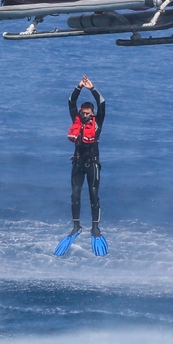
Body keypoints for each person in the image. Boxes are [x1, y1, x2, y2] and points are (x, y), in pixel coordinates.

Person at [67, 75, 106, 237]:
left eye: (88, 114)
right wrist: (78, 87)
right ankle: (76, 226)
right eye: (83, 113)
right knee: (75, 194)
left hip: (92, 164)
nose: (85, 116)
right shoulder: (76, 119)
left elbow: (102, 103)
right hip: (78, 163)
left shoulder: (98, 122)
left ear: (93, 113)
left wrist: (92, 88)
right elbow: (71, 101)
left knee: (93, 194)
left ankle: (95, 227)